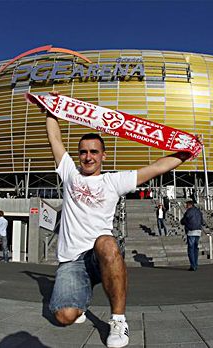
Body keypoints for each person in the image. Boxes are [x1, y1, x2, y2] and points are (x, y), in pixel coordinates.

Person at [36, 92, 193, 348]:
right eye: (83, 152)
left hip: (101, 255)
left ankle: (118, 321)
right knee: (64, 317)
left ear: (103, 156)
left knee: (107, 243)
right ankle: (80, 301)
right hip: (72, 262)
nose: (88, 157)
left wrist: (188, 151)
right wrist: (51, 107)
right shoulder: (69, 173)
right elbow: (54, 137)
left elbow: (157, 168)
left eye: (94, 152)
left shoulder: (113, 181)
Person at [180, 200, 204, 271]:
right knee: (195, 248)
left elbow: (183, 221)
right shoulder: (199, 211)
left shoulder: (189, 211)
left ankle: (193, 265)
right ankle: (195, 264)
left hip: (191, 231)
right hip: (198, 231)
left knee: (191, 249)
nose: (185, 206)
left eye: (186, 205)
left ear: (190, 205)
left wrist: (184, 223)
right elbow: (202, 221)